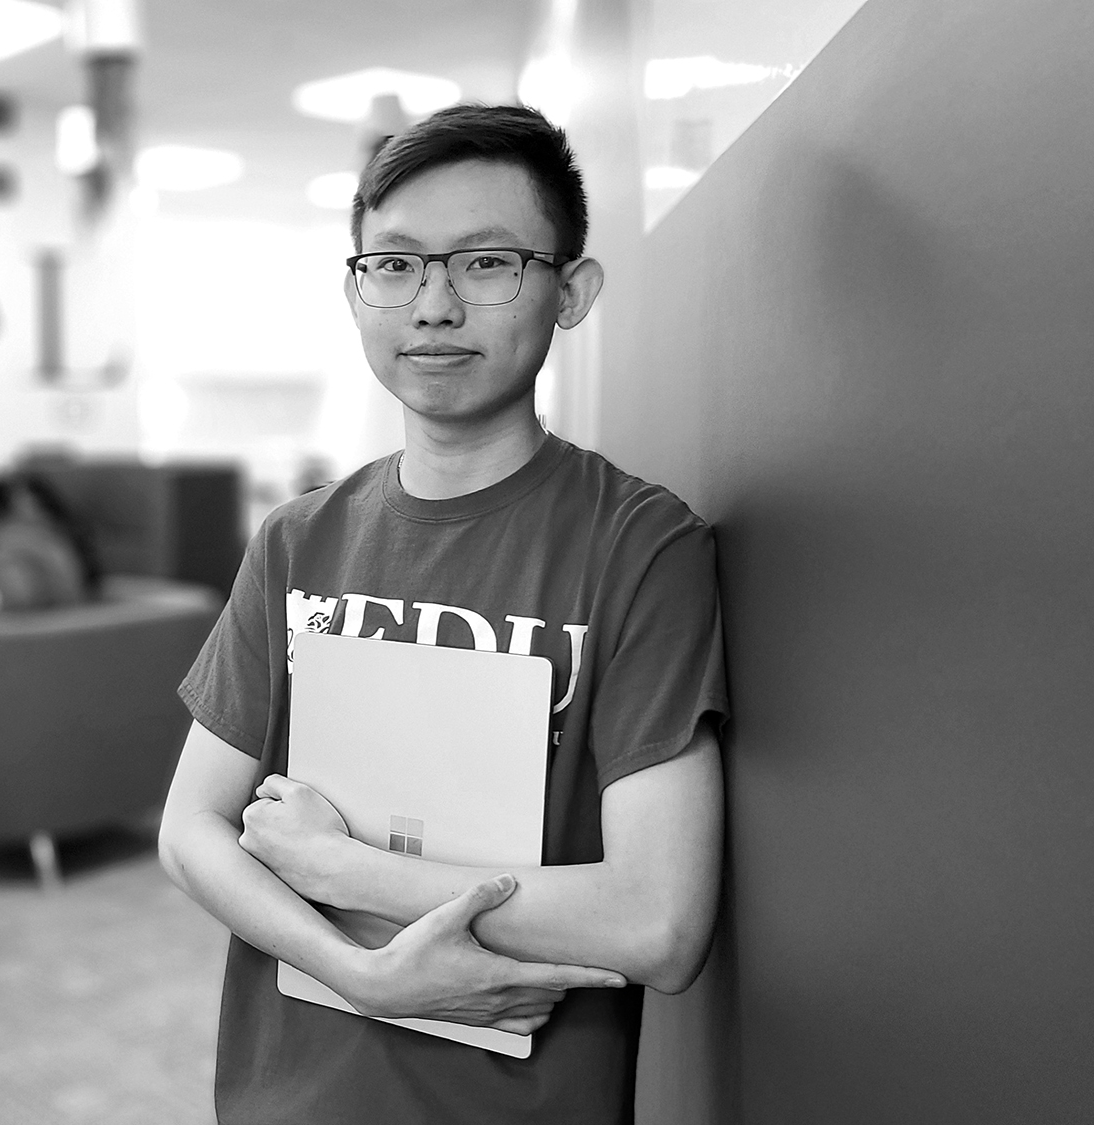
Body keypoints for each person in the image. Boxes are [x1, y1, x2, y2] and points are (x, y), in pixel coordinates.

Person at [157, 103, 728, 1125]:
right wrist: (358, 970)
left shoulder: (640, 547)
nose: (431, 306)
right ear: (355, 288)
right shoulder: (296, 540)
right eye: (394, 264)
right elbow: (188, 828)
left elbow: (656, 919)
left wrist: (342, 870)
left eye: (484, 264)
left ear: (570, 292)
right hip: (283, 1096)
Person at [0, 473, 92, 612]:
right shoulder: (44, 535)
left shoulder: (10, 544)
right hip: (71, 617)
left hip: (45, 625)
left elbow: (22, 600)